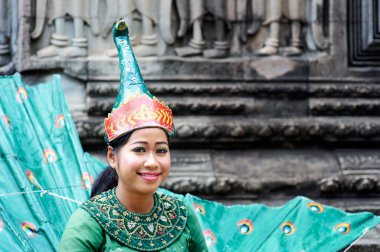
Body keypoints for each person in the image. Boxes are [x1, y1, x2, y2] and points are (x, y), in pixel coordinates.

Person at [58, 19, 208, 251]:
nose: (152, 161)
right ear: (112, 156)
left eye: (161, 150)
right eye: (139, 149)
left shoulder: (182, 214)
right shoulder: (88, 223)